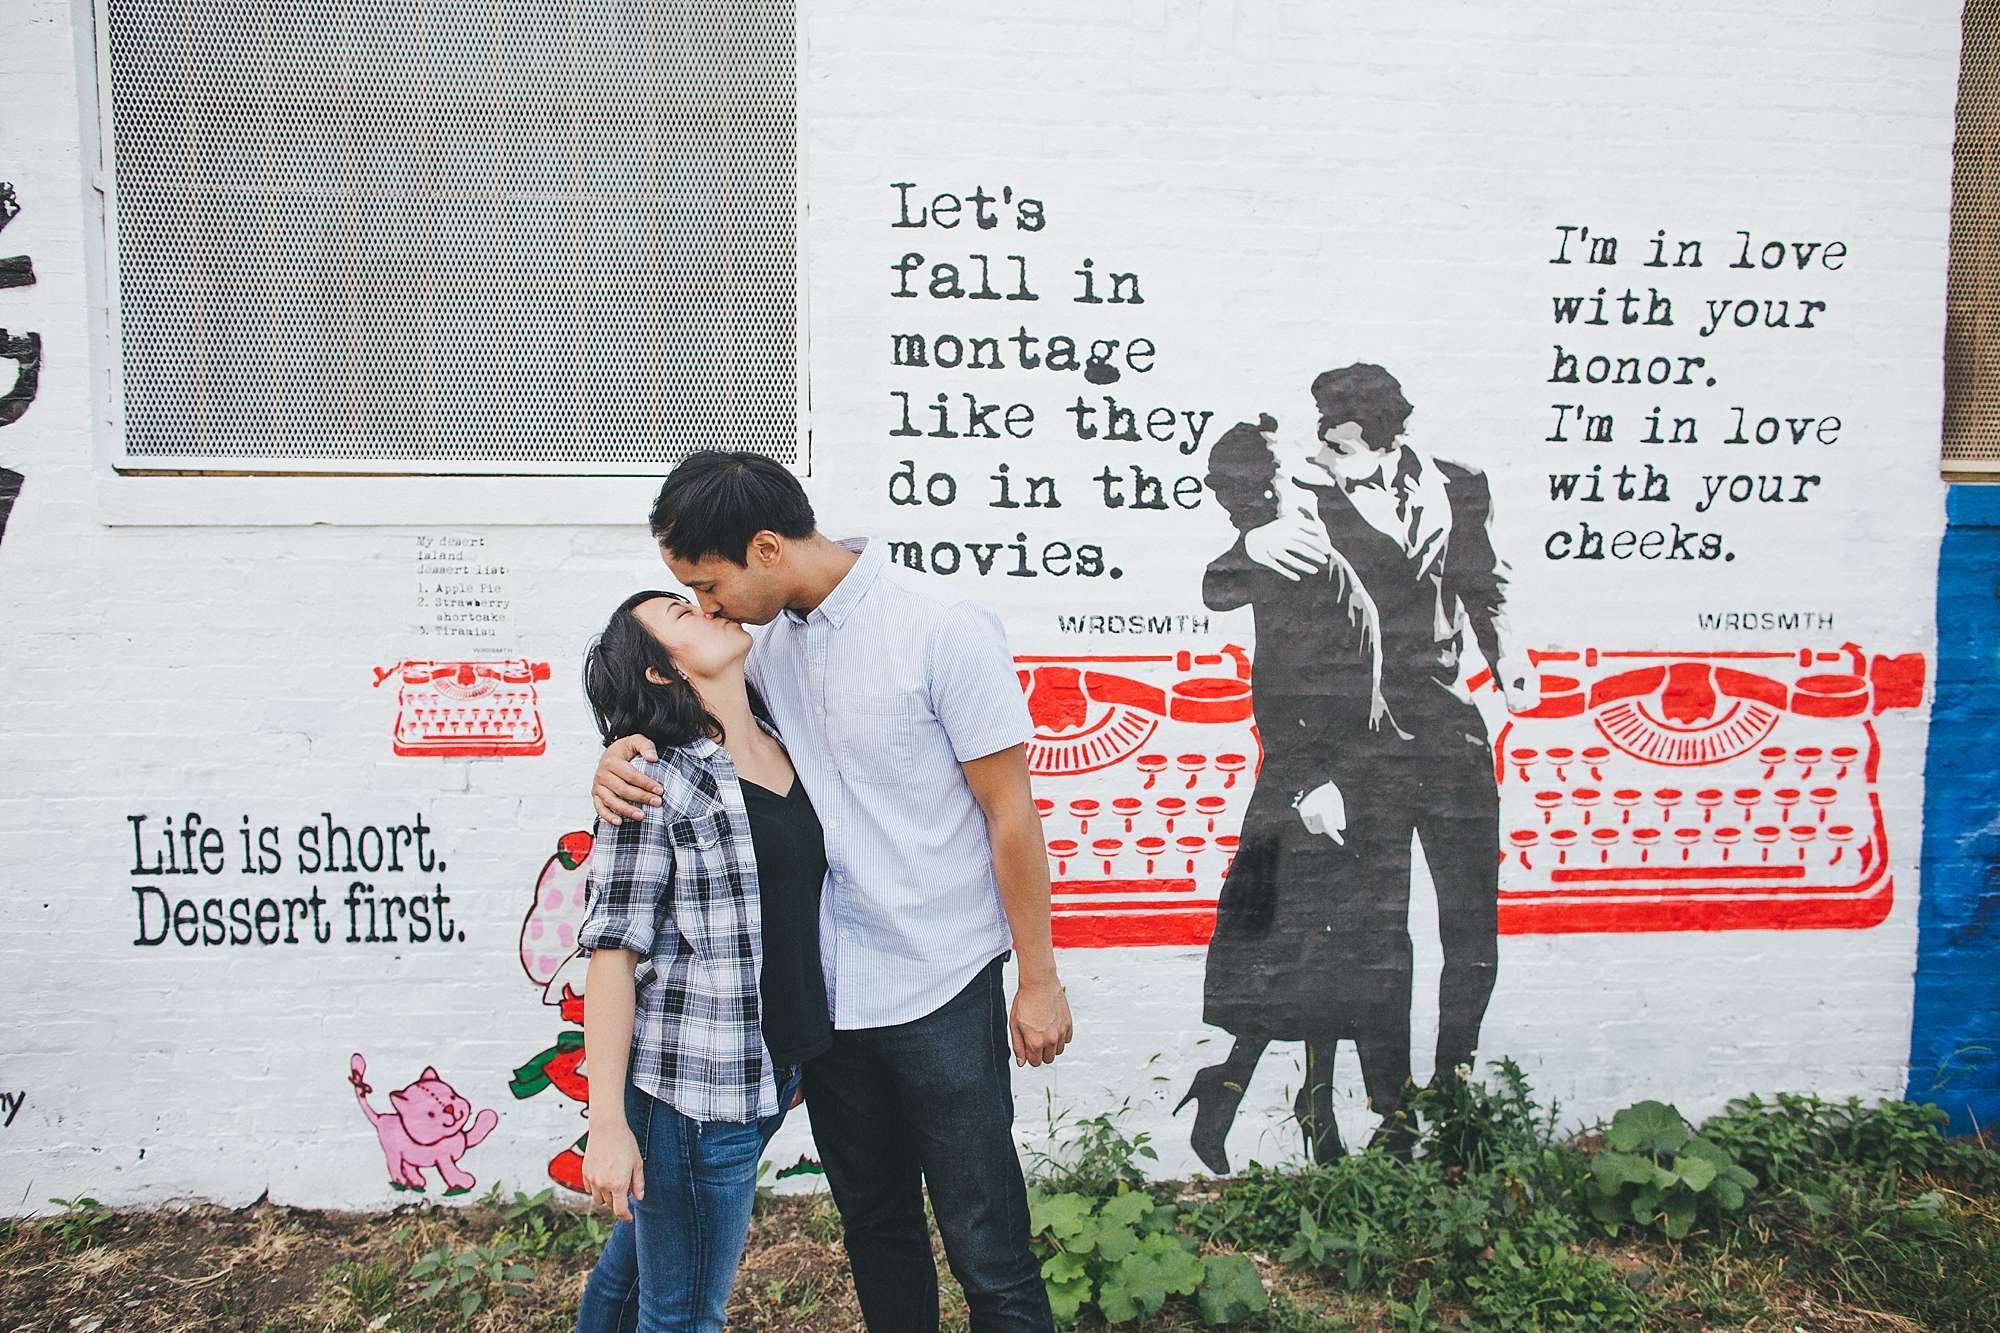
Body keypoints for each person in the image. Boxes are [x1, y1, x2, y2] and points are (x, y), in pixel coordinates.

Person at [590, 450, 1071, 1333]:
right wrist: (617, 754)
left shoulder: (942, 628)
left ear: (767, 547)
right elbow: (685, 722)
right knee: (876, 1228)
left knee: (987, 1241)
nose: (705, 608)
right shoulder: (758, 649)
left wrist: (1038, 976)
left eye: (709, 583)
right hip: (835, 1002)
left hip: (941, 983)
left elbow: (1012, 814)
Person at [1183, 365, 1537, 1170]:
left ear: (1374, 423)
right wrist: (1248, 540)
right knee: (1378, 931)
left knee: (1470, 920)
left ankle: (1458, 1080)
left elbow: (1482, 582)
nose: (1320, 439)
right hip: (1363, 742)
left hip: (1453, 732)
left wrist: (1507, 665)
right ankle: (1398, 1106)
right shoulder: (1302, 499)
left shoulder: (1460, 484)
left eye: (1332, 425)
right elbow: (1232, 584)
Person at [572, 589, 828, 1332]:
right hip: (693, 1098)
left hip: (768, 1076)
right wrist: (608, 1122)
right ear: (660, 672)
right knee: (684, 1315)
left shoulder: (787, 741)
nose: (709, 609)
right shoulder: (655, 781)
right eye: (683, 616)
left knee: (637, 1267)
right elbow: (612, 954)